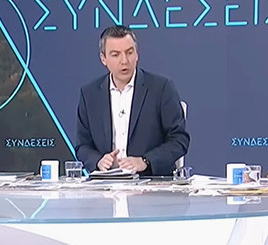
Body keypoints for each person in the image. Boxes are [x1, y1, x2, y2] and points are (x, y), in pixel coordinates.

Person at [75, 25, 189, 176]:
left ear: (137, 54)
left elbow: (179, 140)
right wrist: (98, 161)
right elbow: (82, 146)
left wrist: (145, 161)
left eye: (129, 52)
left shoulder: (161, 88)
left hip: (150, 182)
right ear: (103, 59)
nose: (124, 61)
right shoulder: (90, 94)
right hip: (105, 183)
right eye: (115, 55)